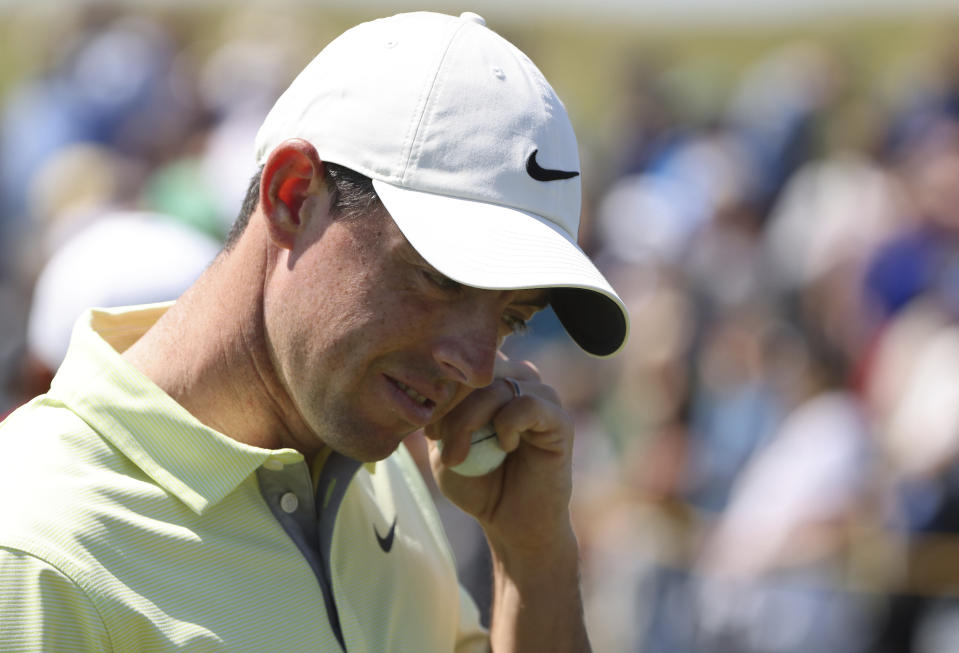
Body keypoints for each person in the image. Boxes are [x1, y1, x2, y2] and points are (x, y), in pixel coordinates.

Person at [0, 10, 629, 652]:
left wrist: (533, 558)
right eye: (441, 281)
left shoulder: (376, 466)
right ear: (293, 195)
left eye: (511, 318)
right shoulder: (31, 549)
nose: (474, 364)